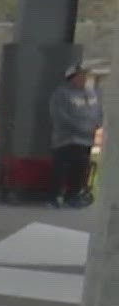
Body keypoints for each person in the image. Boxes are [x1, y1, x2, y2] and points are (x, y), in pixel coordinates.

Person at [49, 64, 103, 208]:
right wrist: (80, 127)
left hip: (86, 140)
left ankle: (72, 196)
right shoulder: (61, 94)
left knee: (80, 169)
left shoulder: (92, 93)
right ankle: (53, 197)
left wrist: (97, 124)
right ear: (71, 77)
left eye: (85, 75)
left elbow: (98, 111)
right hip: (66, 140)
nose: (83, 78)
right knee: (61, 169)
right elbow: (59, 116)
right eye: (80, 75)